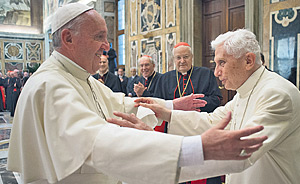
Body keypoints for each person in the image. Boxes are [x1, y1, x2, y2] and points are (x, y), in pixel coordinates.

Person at [7, 4, 267, 184]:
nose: (107, 48)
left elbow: (121, 104)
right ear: (68, 38)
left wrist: (170, 105)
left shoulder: (79, 77)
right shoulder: (50, 84)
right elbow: (97, 142)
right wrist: (194, 149)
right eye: (99, 37)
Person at [112, 29, 300, 184]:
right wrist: (168, 114)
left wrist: (157, 142)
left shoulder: (276, 94)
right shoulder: (247, 91)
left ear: (249, 61)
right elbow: (213, 120)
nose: (217, 72)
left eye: (222, 63)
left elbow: (241, 150)